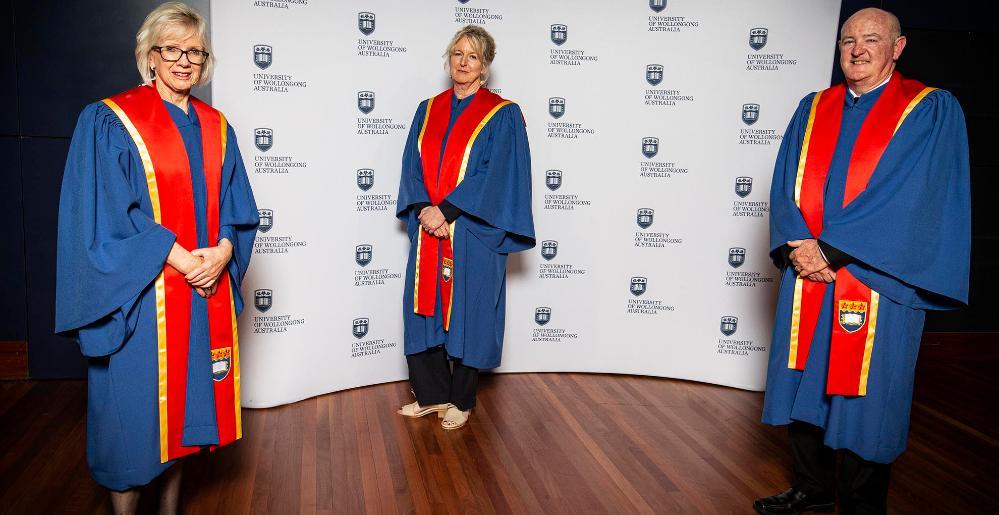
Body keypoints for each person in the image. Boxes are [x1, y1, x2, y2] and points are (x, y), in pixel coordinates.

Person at [755, 8, 970, 515]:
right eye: (848, 39)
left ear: (897, 47)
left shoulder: (927, 109)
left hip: (879, 277)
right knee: (803, 375)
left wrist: (829, 250)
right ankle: (812, 487)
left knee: (870, 395)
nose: (857, 49)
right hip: (809, 273)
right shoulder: (814, 108)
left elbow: (912, 196)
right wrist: (798, 247)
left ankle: (862, 502)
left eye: (871, 39)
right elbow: (785, 184)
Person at [54, 2, 259, 512]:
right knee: (132, 420)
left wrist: (224, 252)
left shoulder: (217, 126)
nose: (184, 61)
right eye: (172, 49)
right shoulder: (111, 120)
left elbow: (237, 206)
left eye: (195, 51)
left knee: (183, 417)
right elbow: (106, 214)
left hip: (201, 295)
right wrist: (184, 261)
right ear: (149, 55)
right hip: (141, 298)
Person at [396, 25, 535, 430]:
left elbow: (497, 175)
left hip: (473, 231)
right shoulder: (427, 110)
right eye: (457, 53)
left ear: (485, 66)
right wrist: (425, 209)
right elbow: (411, 166)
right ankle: (432, 394)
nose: (463, 62)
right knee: (422, 308)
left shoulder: (502, 114)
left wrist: (447, 211)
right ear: (448, 59)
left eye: (473, 56)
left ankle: (461, 399)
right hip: (429, 229)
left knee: (470, 311)